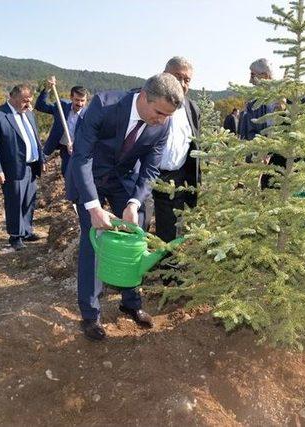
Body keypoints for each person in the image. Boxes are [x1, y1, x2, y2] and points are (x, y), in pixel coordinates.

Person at [66, 73, 183, 341]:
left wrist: (133, 203)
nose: (162, 120)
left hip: (122, 179)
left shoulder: (162, 125)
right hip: (90, 174)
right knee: (94, 238)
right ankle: (91, 314)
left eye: (168, 116)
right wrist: (94, 207)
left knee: (135, 234)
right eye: (159, 112)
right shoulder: (104, 106)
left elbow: (151, 168)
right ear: (144, 97)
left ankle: (131, 302)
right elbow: (81, 157)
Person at [0, 84, 45, 251]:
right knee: (15, 201)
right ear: (13, 97)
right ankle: (15, 236)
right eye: (25, 101)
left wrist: (42, 160)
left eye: (29, 101)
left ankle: (26, 231)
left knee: (28, 201)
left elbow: (36, 139)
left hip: (31, 166)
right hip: (12, 168)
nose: (28, 104)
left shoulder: (29, 114)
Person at [152, 57, 201, 243]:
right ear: (165, 75)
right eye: (177, 77)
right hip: (146, 175)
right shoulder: (149, 100)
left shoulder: (192, 109)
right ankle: (136, 269)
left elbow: (195, 148)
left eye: (187, 80)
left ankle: (165, 268)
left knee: (169, 232)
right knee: (140, 224)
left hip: (175, 178)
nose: (181, 84)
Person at [35, 77, 88, 177]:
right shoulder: (61, 106)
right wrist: (47, 89)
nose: (80, 104)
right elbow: (40, 106)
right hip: (60, 145)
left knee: (73, 173)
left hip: (77, 149)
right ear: (71, 97)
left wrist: (76, 144)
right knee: (65, 172)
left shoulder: (88, 115)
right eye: (77, 100)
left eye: (83, 101)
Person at [239, 58, 273, 141]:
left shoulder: (287, 99)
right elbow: (249, 133)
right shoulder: (252, 104)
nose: (250, 81)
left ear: (265, 76)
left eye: (253, 75)